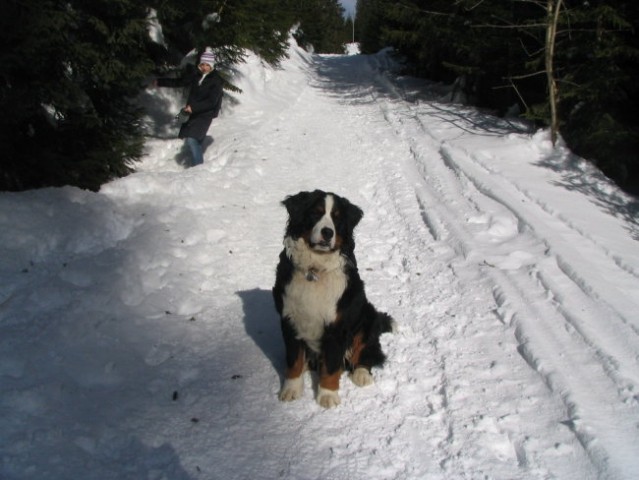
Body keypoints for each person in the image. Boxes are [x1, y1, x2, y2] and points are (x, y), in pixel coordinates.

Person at [156, 50, 224, 167]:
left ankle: (198, 168)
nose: (204, 67)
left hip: (205, 114)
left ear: (212, 66)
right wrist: (160, 82)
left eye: (207, 65)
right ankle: (198, 155)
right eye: (202, 64)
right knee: (192, 136)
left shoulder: (216, 81)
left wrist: (194, 108)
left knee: (192, 139)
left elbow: (211, 102)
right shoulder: (196, 76)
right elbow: (180, 82)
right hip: (191, 111)